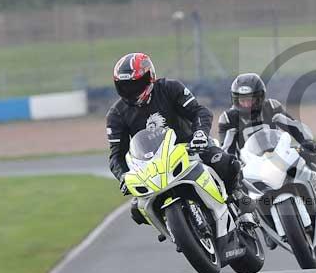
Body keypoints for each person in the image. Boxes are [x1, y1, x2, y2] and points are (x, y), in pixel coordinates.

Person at [106, 52, 253, 226]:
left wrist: (200, 134)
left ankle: (240, 200)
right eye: (126, 86)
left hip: (191, 147)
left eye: (136, 84)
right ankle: (174, 228)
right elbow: (117, 155)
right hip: (153, 166)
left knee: (226, 163)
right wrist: (122, 176)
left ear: (150, 77)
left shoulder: (170, 88)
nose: (132, 91)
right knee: (137, 211)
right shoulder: (116, 114)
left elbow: (200, 112)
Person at [217, 72, 316, 221]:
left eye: (251, 100)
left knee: (311, 155)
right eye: (242, 100)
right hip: (250, 164)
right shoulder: (228, 118)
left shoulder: (271, 106)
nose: (246, 104)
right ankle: (255, 222)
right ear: (235, 99)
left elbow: (293, 125)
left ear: (260, 97)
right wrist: (231, 164)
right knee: (233, 182)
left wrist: (306, 142)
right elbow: (227, 148)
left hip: (280, 154)